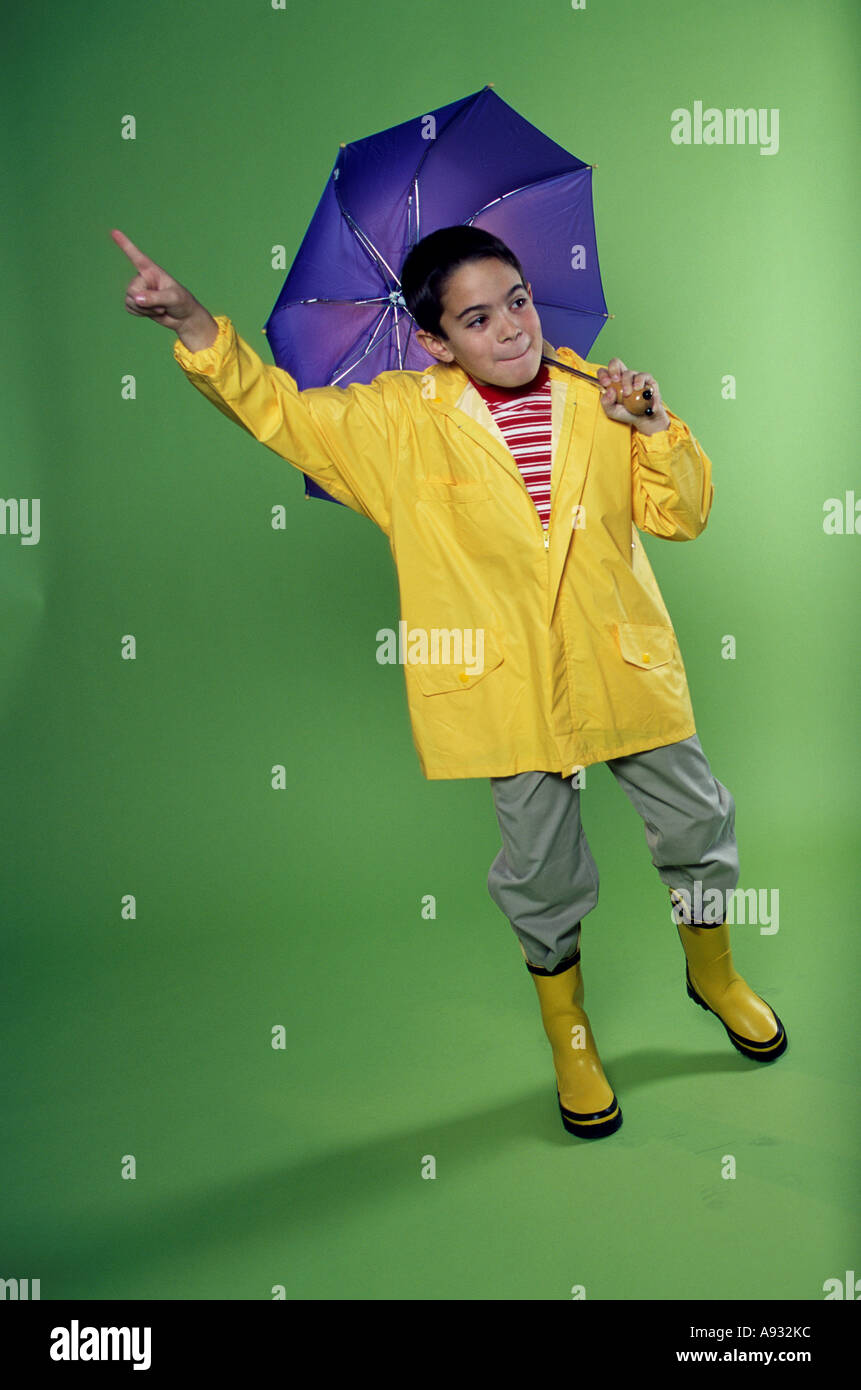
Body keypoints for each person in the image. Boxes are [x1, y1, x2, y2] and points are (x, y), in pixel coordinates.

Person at [111, 224, 787, 1140]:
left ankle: (712, 972)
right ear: (435, 341)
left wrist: (654, 427)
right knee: (543, 874)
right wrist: (192, 322)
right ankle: (569, 1030)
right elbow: (282, 413)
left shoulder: (600, 392)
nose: (510, 328)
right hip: (504, 690)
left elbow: (684, 516)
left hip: (622, 664)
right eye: (476, 318)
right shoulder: (396, 419)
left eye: (517, 300)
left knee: (699, 822)